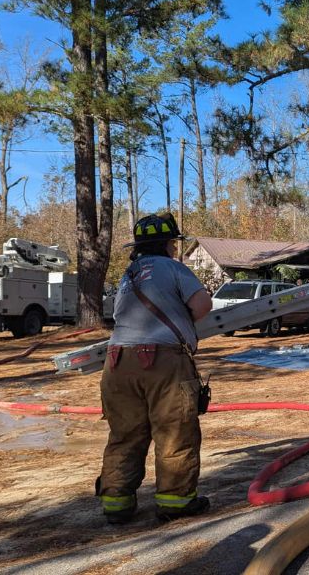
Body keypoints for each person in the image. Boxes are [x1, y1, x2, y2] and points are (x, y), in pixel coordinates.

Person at [97, 213, 214, 524]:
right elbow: (202, 306)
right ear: (168, 245)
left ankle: (116, 504)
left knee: (125, 434)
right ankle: (176, 501)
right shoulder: (173, 268)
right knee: (174, 430)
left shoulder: (128, 275)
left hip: (117, 362)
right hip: (164, 362)